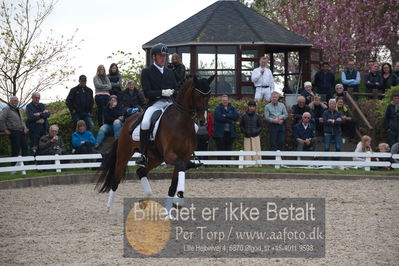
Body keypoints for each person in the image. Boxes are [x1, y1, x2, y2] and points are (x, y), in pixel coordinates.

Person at [136, 43, 177, 167]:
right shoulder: (147, 71)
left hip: (170, 104)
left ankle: (187, 153)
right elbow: (147, 92)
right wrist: (162, 92)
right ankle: (142, 155)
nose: (163, 58)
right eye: (160, 56)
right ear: (154, 57)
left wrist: (174, 92)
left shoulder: (170, 72)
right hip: (155, 104)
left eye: (165, 56)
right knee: (145, 123)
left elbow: (175, 88)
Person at [213, 95, 239, 160]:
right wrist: (230, 121)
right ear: (221, 101)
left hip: (230, 132)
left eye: (226, 100)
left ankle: (228, 163)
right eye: (223, 100)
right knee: (220, 148)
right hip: (220, 133)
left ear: (228, 101)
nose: (225, 102)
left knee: (229, 148)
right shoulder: (218, 108)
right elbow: (218, 118)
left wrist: (226, 115)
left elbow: (236, 116)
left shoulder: (232, 108)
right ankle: (220, 163)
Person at [240, 101, 262, 165]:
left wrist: (256, 132)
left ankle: (257, 164)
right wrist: (245, 132)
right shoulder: (244, 116)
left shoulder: (257, 116)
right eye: (250, 106)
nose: (251, 108)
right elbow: (241, 126)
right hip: (247, 136)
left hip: (255, 136)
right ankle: (248, 164)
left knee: (256, 150)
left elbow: (260, 126)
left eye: (253, 106)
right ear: (248, 107)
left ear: (255, 107)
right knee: (247, 150)